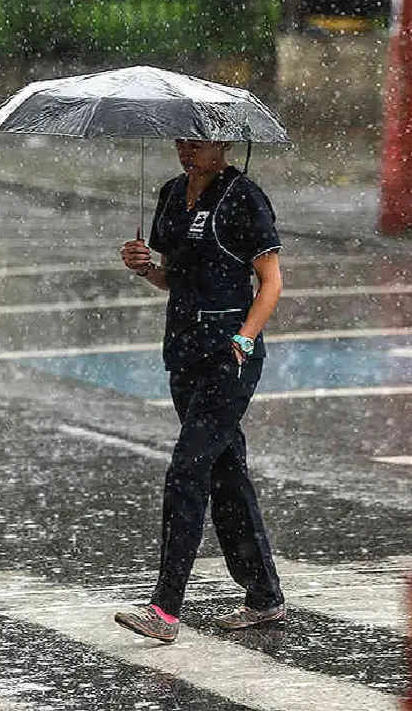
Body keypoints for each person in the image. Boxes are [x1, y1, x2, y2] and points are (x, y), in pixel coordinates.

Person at [113, 138, 285, 643]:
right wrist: (145, 267)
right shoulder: (169, 193)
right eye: (183, 142)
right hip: (184, 352)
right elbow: (177, 278)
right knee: (227, 474)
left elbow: (271, 282)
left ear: (225, 143)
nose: (189, 152)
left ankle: (165, 608)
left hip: (228, 360)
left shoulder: (243, 196)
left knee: (187, 472)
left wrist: (243, 339)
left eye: (201, 144)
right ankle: (264, 595)